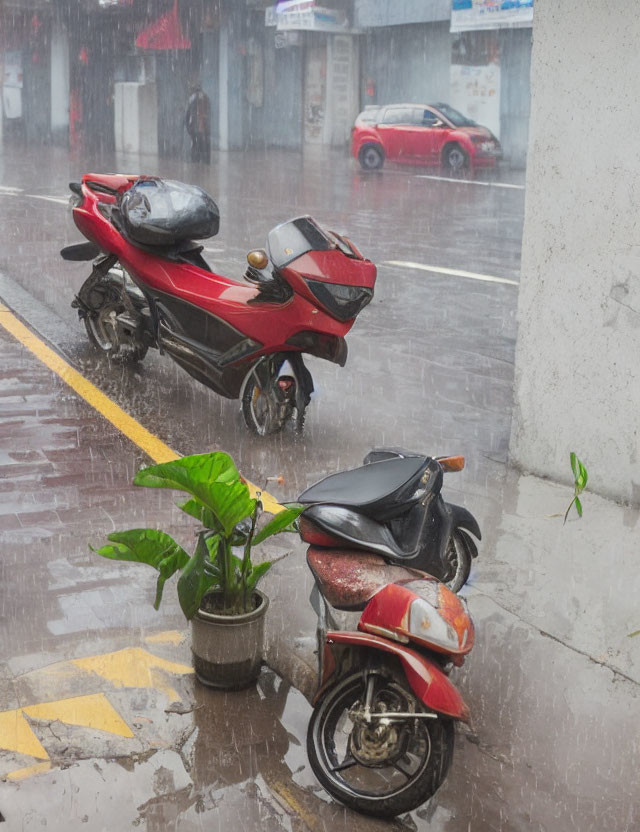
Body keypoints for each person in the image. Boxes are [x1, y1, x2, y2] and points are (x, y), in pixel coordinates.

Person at [185, 82, 211, 163]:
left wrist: (188, 126)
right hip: (204, 126)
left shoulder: (192, 98)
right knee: (205, 143)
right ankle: (205, 161)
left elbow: (187, 114)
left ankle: (196, 161)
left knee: (196, 144)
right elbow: (209, 112)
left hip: (196, 126)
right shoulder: (206, 97)